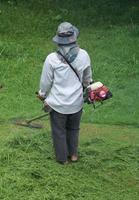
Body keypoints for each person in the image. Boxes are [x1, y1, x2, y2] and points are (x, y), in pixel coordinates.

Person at [37, 22, 93, 164]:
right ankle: (73, 155)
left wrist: (42, 94)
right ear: (74, 37)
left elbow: (45, 82)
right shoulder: (84, 55)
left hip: (58, 104)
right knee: (73, 129)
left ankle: (62, 159)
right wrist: (87, 88)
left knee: (59, 131)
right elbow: (87, 79)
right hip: (77, 103)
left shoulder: (52, 59)